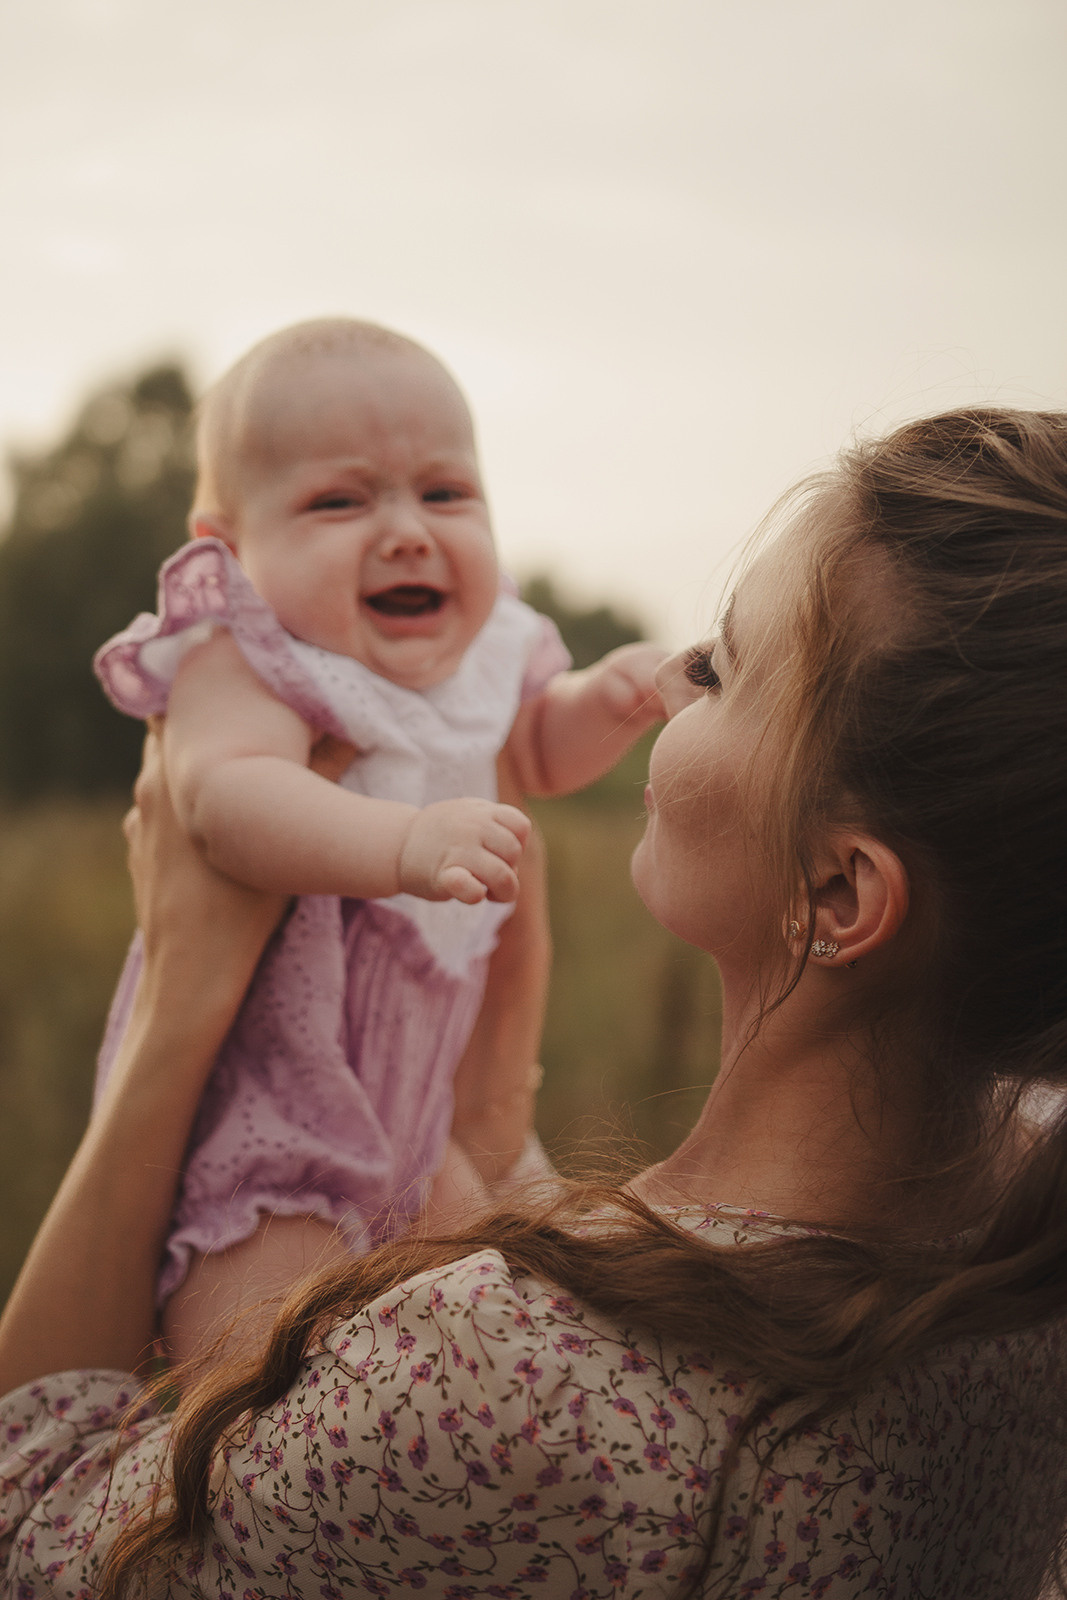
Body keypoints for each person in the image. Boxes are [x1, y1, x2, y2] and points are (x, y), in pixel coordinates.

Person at [4, 405, 1067, 1597]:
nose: (665, 681)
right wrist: (496, 1136)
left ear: (838, 891)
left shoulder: (489, 1379)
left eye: (719, 669)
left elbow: (32, 1542)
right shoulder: (1018, 1254)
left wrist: (174, 1012)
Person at [91, 319, 666, 1362]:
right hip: (276, 1130)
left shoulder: (484, 651)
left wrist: (607, 702)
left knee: (508, 1326)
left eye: (444, 493)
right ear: (227, 545)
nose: (406, 531)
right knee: (263, 1368)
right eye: (339, 502)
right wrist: (402, 840)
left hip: (420, 1121)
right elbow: (226, 798)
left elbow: (536, 749)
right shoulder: (249, 654)